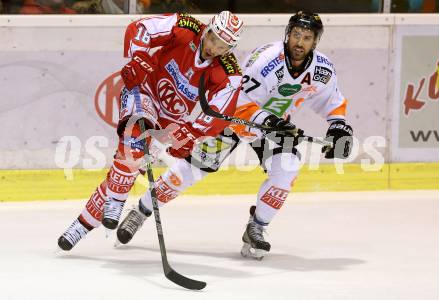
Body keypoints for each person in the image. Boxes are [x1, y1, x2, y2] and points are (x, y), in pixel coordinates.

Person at [115, 10, 353, 260]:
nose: (299, 42)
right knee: (191, 169)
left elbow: (331, 101)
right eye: (296, 35)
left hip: (274, 127)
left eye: (306, 38)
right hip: (234, 121)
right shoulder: (267, 60)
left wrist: (338, 127)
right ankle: (141, 211)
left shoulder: (322, 69)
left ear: (315, 42)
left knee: (288, 167)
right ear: (288, 34)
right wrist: (266, 120)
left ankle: (257, 228)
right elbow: (237, 101)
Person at [58, 11, 255, 251]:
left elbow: (218, 113)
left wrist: (190, 133)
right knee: (133, 145)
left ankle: (82, 224)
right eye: (214, 39)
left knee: (127, 169)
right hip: (143, 92)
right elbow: (141, 28)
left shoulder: (229, 72)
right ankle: (117, 201)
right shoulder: (186, 27)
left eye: (223, 46)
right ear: (208, 29)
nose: (214, 48)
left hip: (169, 123)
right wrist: (138, 58)